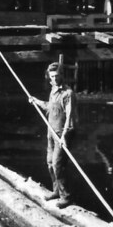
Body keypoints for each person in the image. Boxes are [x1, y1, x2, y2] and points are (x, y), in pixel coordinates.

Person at [28, 63, 76, 207]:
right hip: (51, 131)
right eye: (52, 77)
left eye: (56, 76)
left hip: (63, 133)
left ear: (62, 75)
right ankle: (56, 191)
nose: (54, 79)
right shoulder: (53, 89)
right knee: (50, 163)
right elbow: (50, 107)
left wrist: (64, 137)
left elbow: (69, 116)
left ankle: (66, 197)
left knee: (58, 165)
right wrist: (36, 101)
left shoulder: (68, 94)